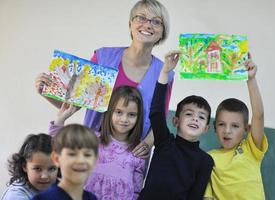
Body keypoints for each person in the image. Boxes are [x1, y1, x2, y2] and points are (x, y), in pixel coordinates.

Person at [35, 0, 175, 157]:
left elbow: (160, 117)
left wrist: (148, 143)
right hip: (92, 150)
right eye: (141, 18)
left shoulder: (165, 72)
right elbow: (74, 103)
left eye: (156, 22)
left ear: (163, 32)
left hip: (131, 158)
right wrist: (46, 91)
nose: (148, 25)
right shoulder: (103, 57)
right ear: (130, 24)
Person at [138, 51, 214, 200]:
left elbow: (195, 197)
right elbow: (156, 112)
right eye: (189, 114)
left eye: (201, 117)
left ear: (206, 128)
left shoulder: (205, 161)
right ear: (176, 121)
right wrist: (165, 72)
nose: (195, 119)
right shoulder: (164, 142)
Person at [48, 85, 146, 200]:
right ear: (109, 112)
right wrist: (60, 119)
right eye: (119, 112)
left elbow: (136, 192)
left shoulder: (138, 151)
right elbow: (59, 148)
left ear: (138, 117)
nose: (124, 119)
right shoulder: (92, 140)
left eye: (131, 115)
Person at [204, 54, 268, 200]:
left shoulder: (251, 149)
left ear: (247, 129)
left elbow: (259, 115)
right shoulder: (208, 158)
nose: (227, 130)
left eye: (235, 126)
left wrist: (250, 79)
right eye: (221, 124)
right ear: (214, 127)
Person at [32, 124, 98, 200]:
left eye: (87, 155)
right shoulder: (42, 199)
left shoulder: (92, 198)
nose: (81, 160)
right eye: (72, 154)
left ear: (95, 160)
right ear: (56, 159)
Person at [1, 134, 58, 200]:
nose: (44, 176)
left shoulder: (55, 185)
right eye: (37, 169)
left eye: (52, 169)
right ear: (24, 166)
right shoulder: (16, 196)